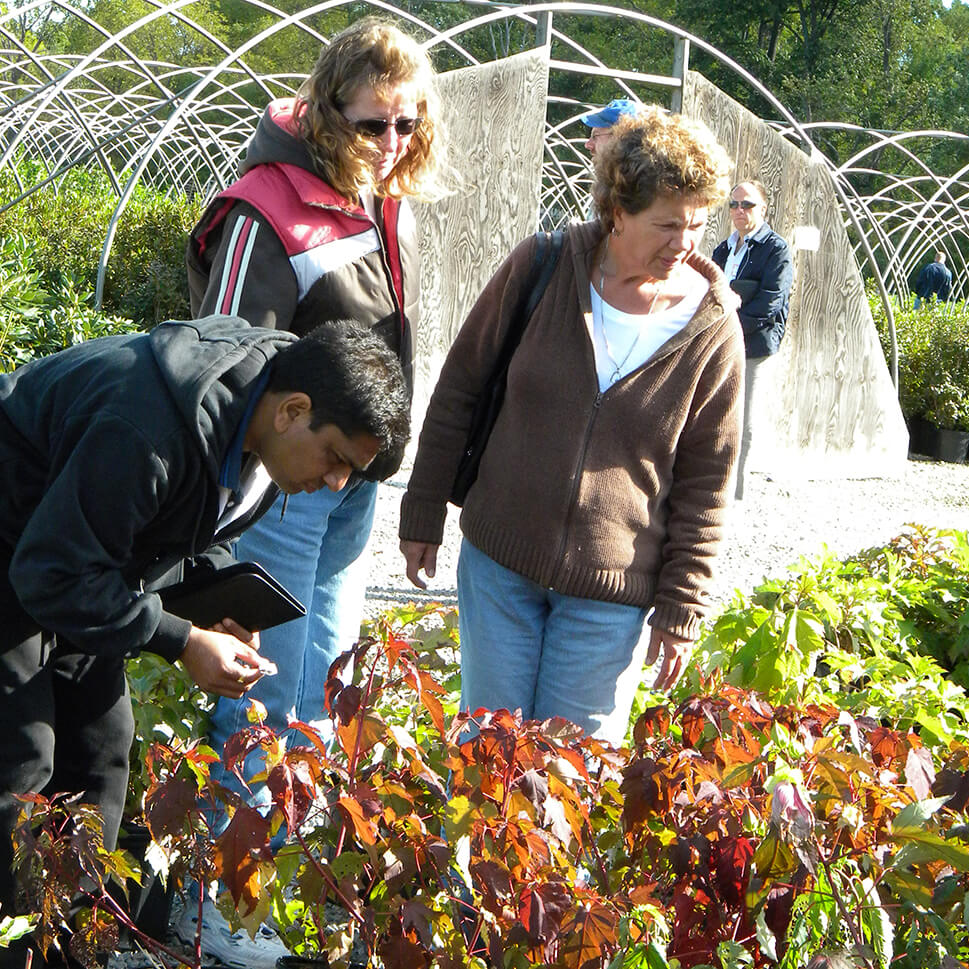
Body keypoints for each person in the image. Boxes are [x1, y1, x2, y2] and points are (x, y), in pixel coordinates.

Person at [0, 316, 410, 969]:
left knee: (101, 752)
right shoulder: (147, 429)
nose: (335, 483)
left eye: (352, 474)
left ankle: (68, 949)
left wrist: (217, 603)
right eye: (335, 457)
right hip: (22, 548)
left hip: (76, 556)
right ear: (294, 411)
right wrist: (180, 638)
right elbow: (48, 572)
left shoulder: (261, 423)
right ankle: (18, 947)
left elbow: (198, 518)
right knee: (22, 767)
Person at [183, 17, 443, 966]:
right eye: (373, 123)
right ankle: (215, 908)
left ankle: (263, 888)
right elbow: (221, 364)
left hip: (348, 489)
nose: (391, 143)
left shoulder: (376, 197)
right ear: (327, 109)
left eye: (408, 125)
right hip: (284, 489)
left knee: (314, 691)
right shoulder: (266, 208)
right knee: (260, 692)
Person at [399, 107, 744, 747]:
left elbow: (707, 481)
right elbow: (459, 389)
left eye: (697, 224)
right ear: (617, 212)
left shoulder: (713, 324)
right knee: (486, 759)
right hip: (499, 565)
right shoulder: (543, 266)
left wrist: (682, 605)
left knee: (570, 783)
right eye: (666, 224)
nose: (684, 242)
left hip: (609, 598)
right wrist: (423, 509)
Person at [711, 180, 793, 500]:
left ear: (764, 209)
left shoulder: (776, 249)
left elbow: (770, 302)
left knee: (743, 417)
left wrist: (729, 326)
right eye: (734, 205)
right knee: (715, 413)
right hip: (720, 341)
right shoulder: (724, 248)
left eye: (747, 205)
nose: (739, 211)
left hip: (753, 345)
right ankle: (712, 484)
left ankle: (736, 491)